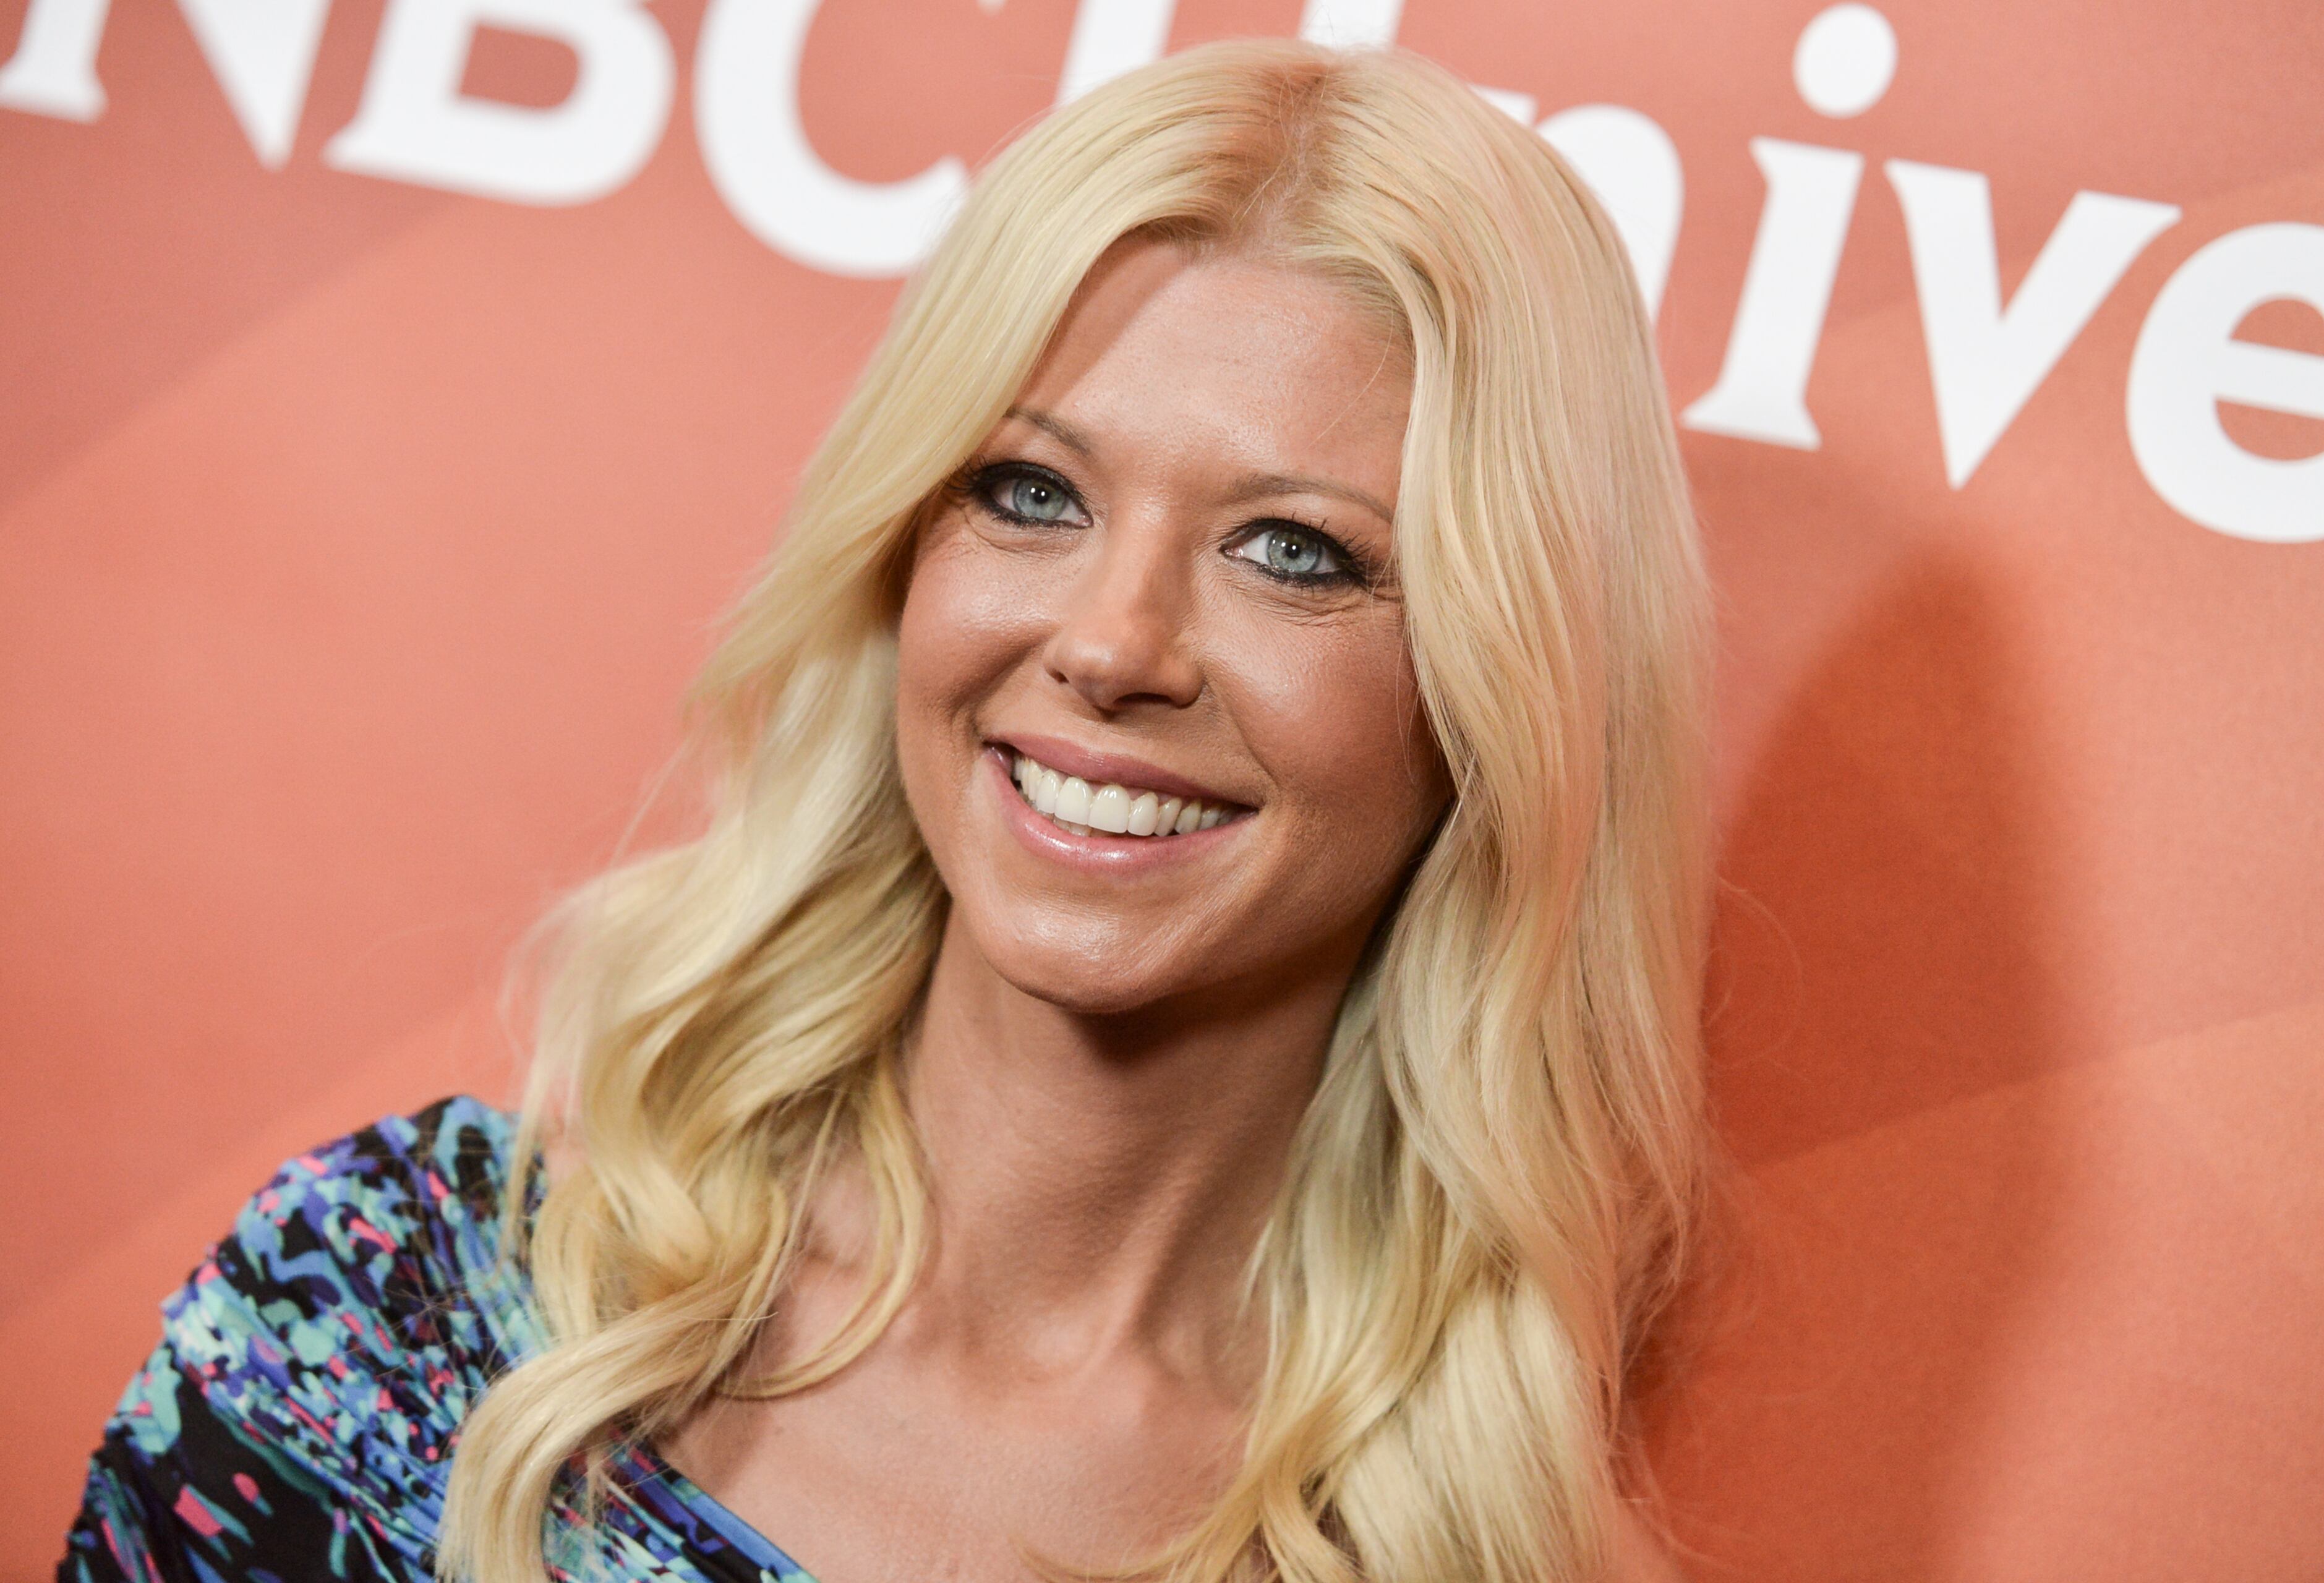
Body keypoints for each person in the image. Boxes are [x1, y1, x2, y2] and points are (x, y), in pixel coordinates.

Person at [60, 36, 1709, 1583]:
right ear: (902, 557)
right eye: (1029, 492)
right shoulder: (386, 1311)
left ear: (1502, 696)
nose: (1112, 645)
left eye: (1294, 552)